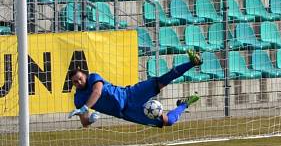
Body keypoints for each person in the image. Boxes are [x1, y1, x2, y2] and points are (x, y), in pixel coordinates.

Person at [67, 50, 202, 128]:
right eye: (75, 82)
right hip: (128, 112)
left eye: (80, 78)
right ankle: (185, 104)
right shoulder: (79, 99)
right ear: (72, 84)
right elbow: (84, 122)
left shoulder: (93, 78)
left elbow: (97, 92)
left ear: (84, 75)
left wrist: (85, 108)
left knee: (162, 81)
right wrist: (90, 119)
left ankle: (192, 62)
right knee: (168, 121)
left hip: (129, 94)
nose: (78, 82)